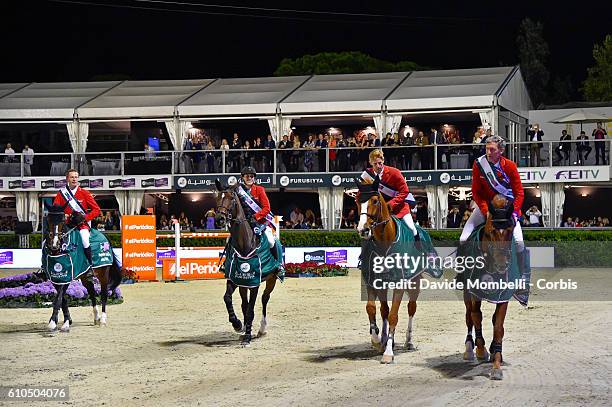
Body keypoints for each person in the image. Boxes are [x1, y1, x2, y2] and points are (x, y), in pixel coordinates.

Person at [460, 135, 525, 254]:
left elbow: (519, 193)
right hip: (486, 206)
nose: (488, 152)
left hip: (507, 207)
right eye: (486, 149)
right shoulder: (479, 164)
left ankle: (524, 272)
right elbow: (476, 192)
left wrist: (514, 212)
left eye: (492, 149)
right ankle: (463, 269)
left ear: (501, 150)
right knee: (463, 239)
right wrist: (486, 211)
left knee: (519, 243)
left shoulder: (510, 166)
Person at [359, 149, 418, 239]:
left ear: (383, 161)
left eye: (380, 163)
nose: (378, 166)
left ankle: (419, 249)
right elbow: (361, 195)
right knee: (368, 233)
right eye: (375, 164)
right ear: (370, 163)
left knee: (412, 229)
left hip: (399, 207)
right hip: (379, 211)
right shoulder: (366, 175)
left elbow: (404, 191)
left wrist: (391, 204)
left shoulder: (395, 172)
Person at [53, 169, 101, 267]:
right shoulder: (61, 193)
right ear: (67, 178)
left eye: (76, 177)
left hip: (81, 225)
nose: (74, 179)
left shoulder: (85, 193)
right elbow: (55, 210)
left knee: (84, 239)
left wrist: (85, 218)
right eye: (72, 177)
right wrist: (62, 215)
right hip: (66, 224)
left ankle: (90, 266)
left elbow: (96, 210)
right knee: (53, 240)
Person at [236, 166, 278, 260]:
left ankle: (278, 265)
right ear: (242, 177)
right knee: (230, 239)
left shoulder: (259, 189)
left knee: (271, 241)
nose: (249, 178)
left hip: (260, 222)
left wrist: (255, 216)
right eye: (247, 176)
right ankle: (227, 263)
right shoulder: (238, 191)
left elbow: (267, 208)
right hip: (243, 222)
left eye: (251, 176)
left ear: (254, 178)